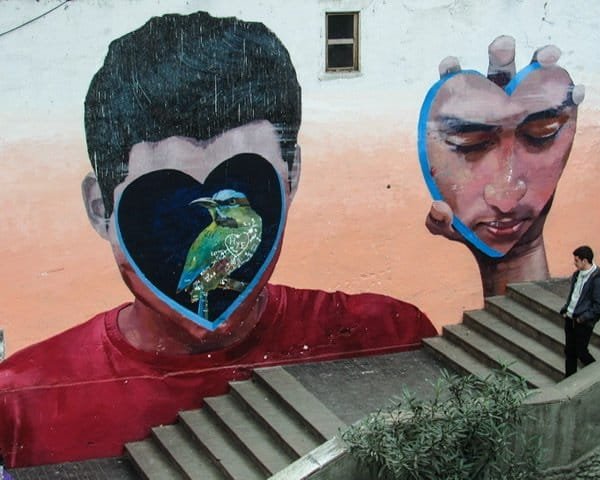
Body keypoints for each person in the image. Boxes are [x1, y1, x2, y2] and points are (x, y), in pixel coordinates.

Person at [0, 12, 436, 468]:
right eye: (158, 205)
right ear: (100, 210)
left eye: (251, 181)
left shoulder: (389, 338)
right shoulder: (20, 401)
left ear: (291, 177)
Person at [420, 36, 585, 296]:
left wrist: (519, 253)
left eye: (542, 133)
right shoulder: (393, 322)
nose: (506, 199)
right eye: (470, 143)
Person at [560, 245, 600, 378]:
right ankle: (569, 379)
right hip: (570, 318)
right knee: (569, 351)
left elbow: (598, 306)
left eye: (576, 260)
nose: (574, 263)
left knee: (581, 352)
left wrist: (583, 318)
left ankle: (599, 375)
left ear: (585, 261)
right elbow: (574, 295)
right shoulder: (577, 275)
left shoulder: (598, 280)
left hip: (582, 322)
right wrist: (566, 309)